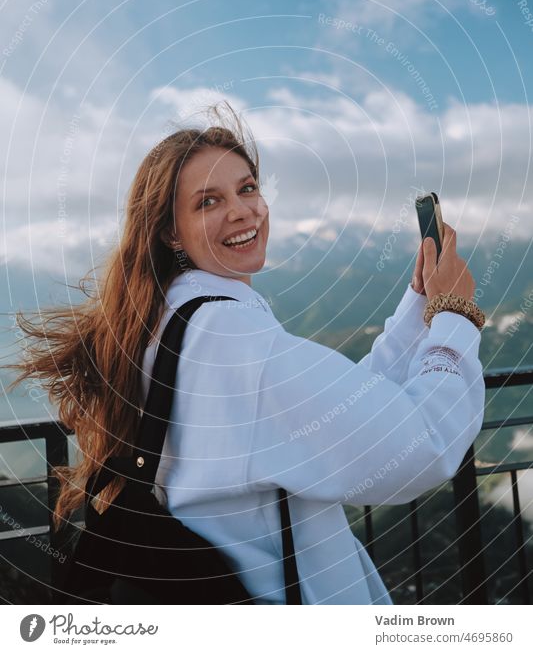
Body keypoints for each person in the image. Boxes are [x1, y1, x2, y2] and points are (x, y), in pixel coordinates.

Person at [6, 101, 485, 605]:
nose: (241, 209)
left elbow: (336, 412)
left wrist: (417, 310)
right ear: (171, 230)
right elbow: (417, 447)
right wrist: (453, 315)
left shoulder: (170, 324)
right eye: (208, 201)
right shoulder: (228, 338)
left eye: (248, 188)